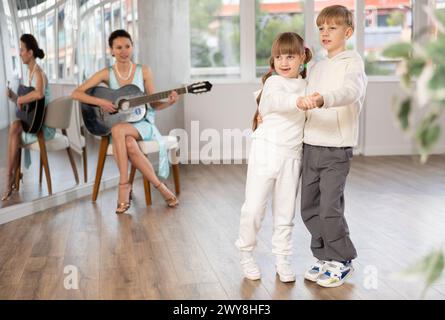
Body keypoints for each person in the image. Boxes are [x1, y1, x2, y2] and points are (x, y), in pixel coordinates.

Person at [71, 29, 179, 214]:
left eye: (127, 46)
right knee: (127, 141)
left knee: (120, 131)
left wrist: (168, 103)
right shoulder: (106, 73)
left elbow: (152, 103)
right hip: (119, 126)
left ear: (132, 47)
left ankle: (123, 186)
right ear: (111, 50)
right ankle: (161, 187)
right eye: (118, 47)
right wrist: (101, 102)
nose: (124, 51)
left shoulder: (143, 70)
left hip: (143, 123)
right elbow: (76, 93)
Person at [298, 5, 368, 287]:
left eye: (332, 27)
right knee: (308, 207)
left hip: (336, 149)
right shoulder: (316, 66)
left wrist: (323, 98)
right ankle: (324, 257)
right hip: (310, 145)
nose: (325, 33)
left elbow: (350, 91)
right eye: (321, 28)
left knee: (329, 208)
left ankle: (342, 260)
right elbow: (300, 96)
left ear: (348, 32)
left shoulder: (353, 63)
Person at [235, 32, 313, 282]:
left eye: (290, 56)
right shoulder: (273, 83)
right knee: (254, 208)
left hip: (292, 155)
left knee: (285, 212)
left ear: (302, 57)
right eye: (279, 56)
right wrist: (299, 101)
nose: (284, 62)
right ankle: (246, 254)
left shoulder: (308, 84)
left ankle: (282, 257)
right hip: (266, 151)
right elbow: (272, 103)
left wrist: (306, 98)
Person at [2, 34, 53, 201]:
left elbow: (38, 94)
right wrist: (14, 97)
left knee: (14, 127)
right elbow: (30, 106)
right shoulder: (30, 73)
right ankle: (13, 175)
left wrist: (21, 99)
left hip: (44, 126)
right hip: (35, 120)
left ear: (30, 53)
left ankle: (11, 176)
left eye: (22, 50)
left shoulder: (38, 73)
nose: (20, 53)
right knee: (15, 126)